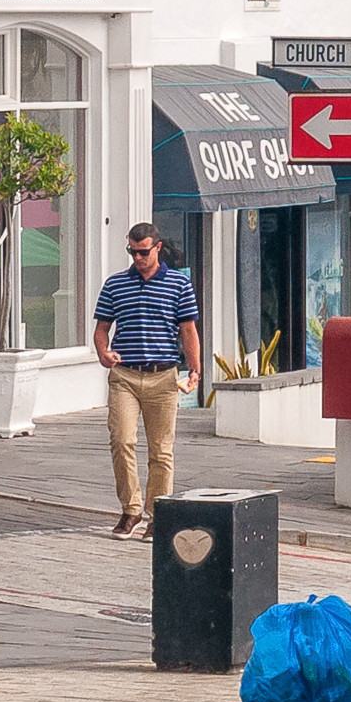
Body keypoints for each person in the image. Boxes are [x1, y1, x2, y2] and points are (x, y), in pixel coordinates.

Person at [91, 222, 203, 538]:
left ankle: (158, 514)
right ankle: (131, 510)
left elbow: (188, 330)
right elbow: (102, 329)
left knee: (161, 450)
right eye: (132, 252)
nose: (138, 258)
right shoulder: (115, 284)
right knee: (121, 440)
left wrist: (195, 369)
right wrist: (103, 353)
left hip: (163, 376)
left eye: (143, 252)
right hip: (124, 375)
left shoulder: (179, 284)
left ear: (158, 247)